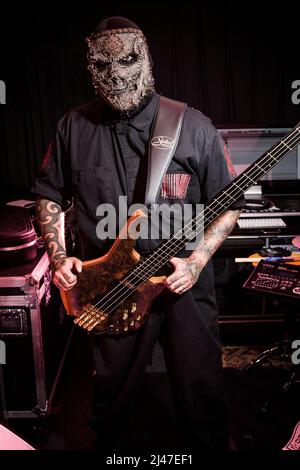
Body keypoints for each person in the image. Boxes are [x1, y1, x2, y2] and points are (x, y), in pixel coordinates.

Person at [31, 16, 245, 450]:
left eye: (126, 61)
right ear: (91, 67)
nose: (116, 75)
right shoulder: (71, 127)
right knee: (111, 405)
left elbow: (229, 204)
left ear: (144, 59)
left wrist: (198, 260)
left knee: (201, 397)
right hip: (112, 287)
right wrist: (58, 257)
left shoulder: (193, 126)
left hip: (180, 282)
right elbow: (49, 196)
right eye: (103, 66)